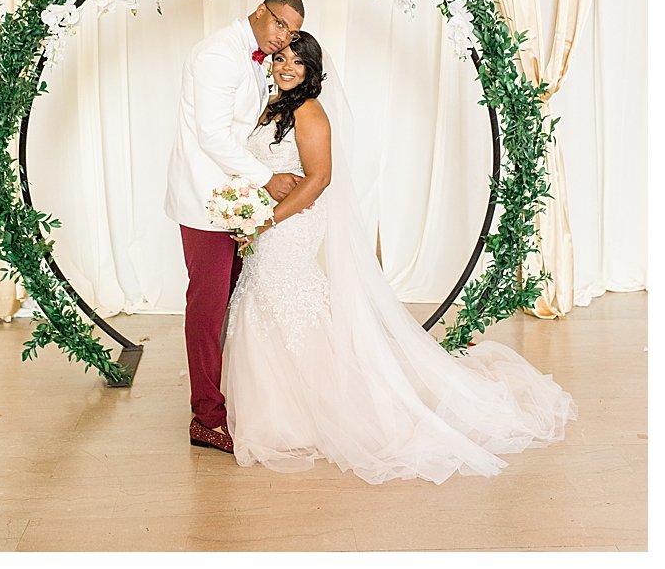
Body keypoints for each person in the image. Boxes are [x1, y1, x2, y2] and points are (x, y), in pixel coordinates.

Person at [220, 31, 576, 483]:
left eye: (298, 60)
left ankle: (316, 407)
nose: (287, 66)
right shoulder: (271, 108)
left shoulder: (311, 114)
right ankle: (277, 406)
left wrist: (265, 220)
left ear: (312, 69)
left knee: (285, 297)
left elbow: (320, 179)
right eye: (282, 57)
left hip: (291, 225)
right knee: (263, 298)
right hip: (269, 223)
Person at [165, 0, 306, 454]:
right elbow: (212, 135)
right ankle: (205, 417)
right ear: (261, 10)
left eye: (292, 32)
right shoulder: (217, 54)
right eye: (280, 24)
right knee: (206, 309)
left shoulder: (254, 57)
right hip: (207, 202)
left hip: (236, 201)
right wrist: (268, 178)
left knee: (229, 302)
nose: (283, 37)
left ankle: (228, 398)